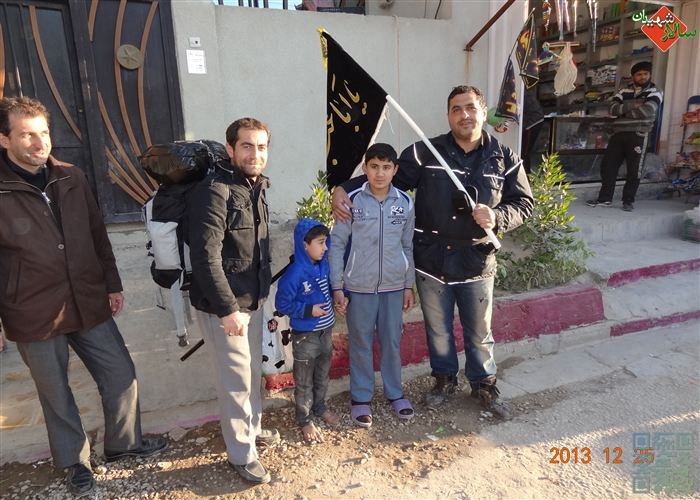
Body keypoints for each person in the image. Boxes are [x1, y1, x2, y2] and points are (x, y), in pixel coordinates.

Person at [332, 86, 533, 419]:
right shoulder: (425, 152)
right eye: (456, 109)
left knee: (480, 333)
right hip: (431, 262)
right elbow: (384, 178)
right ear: (448, 115)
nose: (464, 115)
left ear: (483, 111)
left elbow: (524, 203)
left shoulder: (505, 158)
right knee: (438, 331)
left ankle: (484, 384)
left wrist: (497, 217)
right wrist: (342, 188)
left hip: (477, 261)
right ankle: (443, 381)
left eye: (471, 108)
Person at [0, 96, 166, 497]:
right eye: (27, 135)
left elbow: (96, 234)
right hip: (32, 310)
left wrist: (112, 283)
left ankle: (123, 445)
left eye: (44, 132)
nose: (40, 143)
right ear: (4, 139)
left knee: (120, 373)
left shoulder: (71, 176)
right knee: (56, 392)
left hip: (87, 298)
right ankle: (76, 463)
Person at [187, 117, 279, 484]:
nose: (255, 153)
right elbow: (204, 258)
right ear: (230, 149)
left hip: (251, 300)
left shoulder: (256, 186)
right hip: (225, 307)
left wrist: (258, 300)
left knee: (251, 372)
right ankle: (242, 453)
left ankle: (251, 430)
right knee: (236, 381)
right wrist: (228, 310)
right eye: (247, 146)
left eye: (261, 146)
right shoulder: (214, 191)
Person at [328, 143, 416, 428]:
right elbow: (337, 245)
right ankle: (361, 398)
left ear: (395, 170)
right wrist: (337, 286)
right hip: (359, 287)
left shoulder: (405, 202)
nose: (380, 173)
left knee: (392, 342)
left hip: (393, 286)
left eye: (386, 167)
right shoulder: (351, 201)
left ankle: (395, 393)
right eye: (374, 167)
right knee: (361, 342)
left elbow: (407, 246)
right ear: (365, 168)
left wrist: (408, 286)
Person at [275, 219, 339, 442]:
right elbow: (282, 304)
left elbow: (327, 290)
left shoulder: (323, 266)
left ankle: (319, 407)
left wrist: (338, 300)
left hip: (326, 332)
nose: (325, 247)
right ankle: (304, 419)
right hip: (305, 337)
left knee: (322, 375)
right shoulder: (295, 273)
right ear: (304, 244)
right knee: (304, 381)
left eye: (326, 242)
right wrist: (308, 310)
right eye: (320, 243)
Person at [586, 61, 663, 212]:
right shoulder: (624, 90)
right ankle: (604, 199)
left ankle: (628, 201)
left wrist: (623, 111)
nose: (642, 77)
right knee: (608, 166)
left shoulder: (655, 91)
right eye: (639, 74)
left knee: (634, 170)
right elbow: (612, 109)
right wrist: (634, 105)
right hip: (619, 133)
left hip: (639, 133)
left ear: (649, 75)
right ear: (633, 76)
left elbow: (647, 111)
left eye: (645, 74)